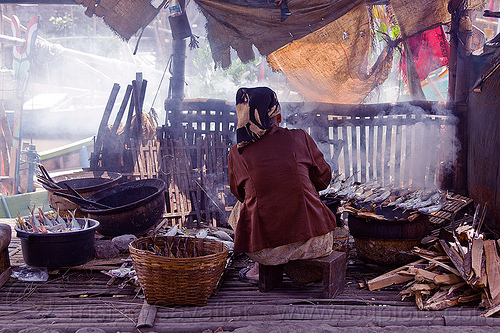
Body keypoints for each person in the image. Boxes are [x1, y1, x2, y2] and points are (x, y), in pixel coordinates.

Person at [228, 86, 337, 284]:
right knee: (303, 193)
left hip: (265, 251)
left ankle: (257, 267)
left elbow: (239, 194)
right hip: (315, 243)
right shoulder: (300, 137)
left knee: (241, 207)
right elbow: (324, 179)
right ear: (275, 112)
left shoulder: (237, 153)